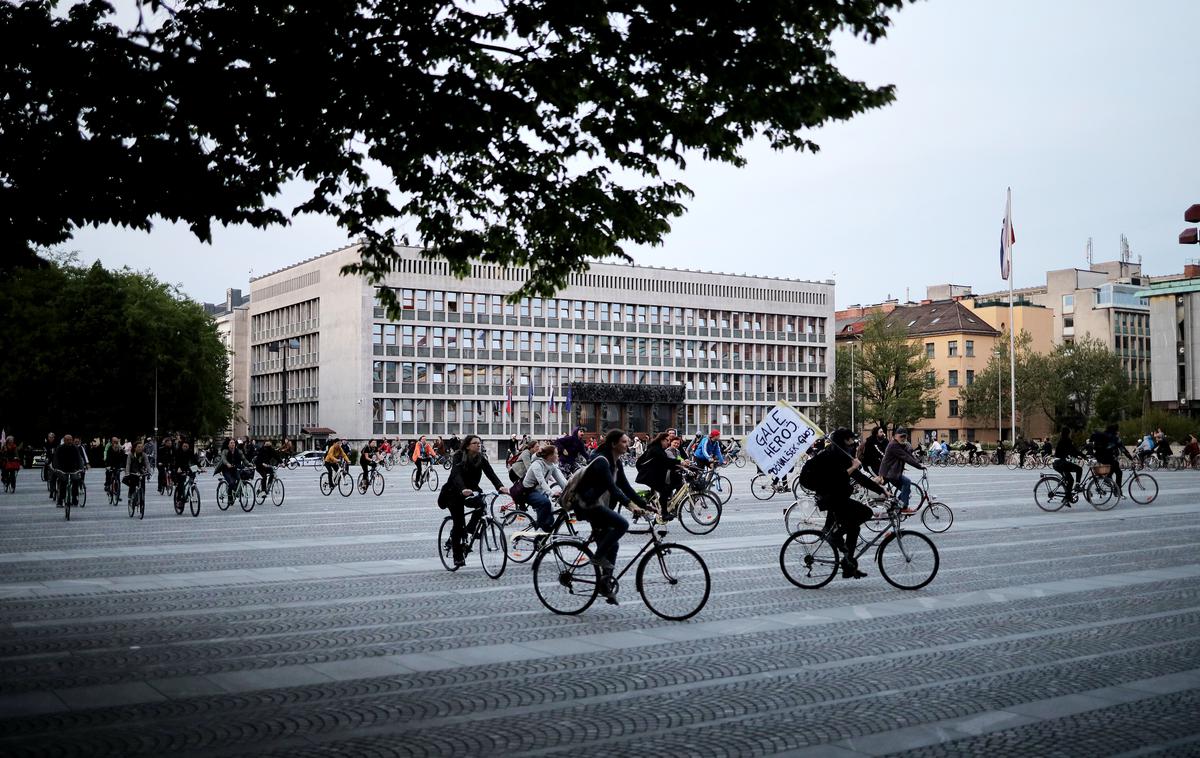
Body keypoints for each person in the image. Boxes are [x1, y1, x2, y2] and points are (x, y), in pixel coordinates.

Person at [574, 429, 653, 604]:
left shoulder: (617, 462)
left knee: (613, 545)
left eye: (627, 442)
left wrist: (643, 503)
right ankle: (597, 557)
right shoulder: (601, 462)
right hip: (589, 505)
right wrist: (630, 506)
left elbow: (625, 486)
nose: (628, 445)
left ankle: (605, 584)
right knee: (622, 525)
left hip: (600, 505)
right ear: (613, 444)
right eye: (624, 442)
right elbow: (613, 488)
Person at [803, 428, 885, 579]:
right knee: (866, 513)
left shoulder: (843, 454)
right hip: (831, 499)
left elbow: (859, 477)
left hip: (838, 497)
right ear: (843, 440)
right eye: (850, 439)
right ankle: (835, 536)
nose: (853, 442)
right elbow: (835, 479)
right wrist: (853, 466)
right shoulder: (830, 455)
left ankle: (848, 565)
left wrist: (881, 490)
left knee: (854, 528)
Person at [437, 435, 509, 567]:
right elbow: (456, 474)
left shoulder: (481, 458)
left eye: (479, 443)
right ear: (467, 445)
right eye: (475, 443)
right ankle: (457, 556)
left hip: (472, 490)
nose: (478, 445)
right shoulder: (459, 456)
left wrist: (500, 486)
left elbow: (491, 474)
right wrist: (463, 488)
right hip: (454, 492)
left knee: (481, 505)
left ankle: (470, 530)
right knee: (458, 524)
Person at [521, 444, 568, 540]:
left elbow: (561, 481)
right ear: (550, 456)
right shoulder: (537, 464)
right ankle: (538, 530)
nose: (558, 456)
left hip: (540, 492)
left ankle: (542, 542)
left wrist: (570, 490)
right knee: (545, 503)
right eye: (556, 453)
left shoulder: (552, 466)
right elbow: (541, 481)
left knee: (550, 521)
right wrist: (551, 493)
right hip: (528, 491)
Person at [879, 428, 925, 514]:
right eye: (901, 436)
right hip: (890, 473)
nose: (903, 438)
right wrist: (919, 466)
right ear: (895, 436)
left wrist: (918, 462)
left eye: (905, 436)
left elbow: (909, 455)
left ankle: (894, 506)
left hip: (892, 473)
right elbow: (906, 457)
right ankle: (903, 507)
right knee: (907, 482)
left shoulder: (900, 445)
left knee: (906, 491)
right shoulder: (893, 445)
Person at [635, 431, 678, 515]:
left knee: (665, 490)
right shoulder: (656, 449)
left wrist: (679, 464)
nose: (668, 442)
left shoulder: (659, 448)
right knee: (664, 491)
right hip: (649, 476)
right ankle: (664, 514)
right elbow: (666, 461)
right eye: (667, 440)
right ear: (662, 440)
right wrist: (680, 462)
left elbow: (666, 462)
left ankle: (657, 511)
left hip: (654, 475)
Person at [1089, 424, 1133, 497]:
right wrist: (1131, 458)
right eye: (1118, 430)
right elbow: (1122, 449)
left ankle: (1108, 479)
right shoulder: (1114, 438)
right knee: (1119, 472)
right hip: (1107, 457)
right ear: (1115, 431)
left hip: (1099, 457)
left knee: (1114, 467)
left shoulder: (1104, 435)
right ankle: (1117, 491)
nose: (1119, 432)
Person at [1051, 428, 1083, 506]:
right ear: (1068, 433)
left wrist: (1076, 456)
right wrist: (1084, 456)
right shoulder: (1066, 440)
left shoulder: (1062, 440)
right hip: (1060, 463)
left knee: (1070, 480)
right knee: (1079, 469)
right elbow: (1073, 450)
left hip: (1058, 463)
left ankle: (1067, 498)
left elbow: (1069, 451)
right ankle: (1077, 485)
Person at [217, 438, 249, 507]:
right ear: (228, 445)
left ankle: (237, 491)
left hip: (234, 469)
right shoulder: (225, 451)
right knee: (231, 483)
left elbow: (244, 459)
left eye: (233, 443)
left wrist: (249, 464)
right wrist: (227, 464)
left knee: (239, 478)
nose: (233, 444)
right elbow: (223, 459)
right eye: (231, 443)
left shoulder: (238, 451)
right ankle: (230, 497)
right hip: (226, 470)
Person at [172, 439, 199, 504]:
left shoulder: (190, 452)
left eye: (187, 446)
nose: (185, 448)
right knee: (181, 484)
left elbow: (195, 460)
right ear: (181, 446)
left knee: (192, 477)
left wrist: (200, 467)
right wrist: (178, 468)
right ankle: (179, 499)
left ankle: (190, 492)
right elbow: (176, 461)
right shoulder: (178, 452)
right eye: (184, 446)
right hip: (179, 468)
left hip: (187, 467)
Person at [104, 436, 126, 502]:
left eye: (117, 442)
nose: (116, 443)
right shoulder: (110, 448)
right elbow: (107, 458)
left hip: (117, 465)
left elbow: (123, 458)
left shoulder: (120, 449)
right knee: (108, 473)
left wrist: (124, 467)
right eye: (114, 442)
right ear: (112, 442)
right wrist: (107, 466)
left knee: (118, 480)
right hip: (110, 464)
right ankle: (107, 485)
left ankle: (117, 495)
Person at [43, 431, 59, 497]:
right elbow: (44, 450)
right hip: (49, 457)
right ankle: (46, 478)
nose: (51, 438)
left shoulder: (57, 443)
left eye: (52, 437)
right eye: (49, 437)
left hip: (56, 458)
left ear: (54, 438)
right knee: (47, 466)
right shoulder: (46, 443)